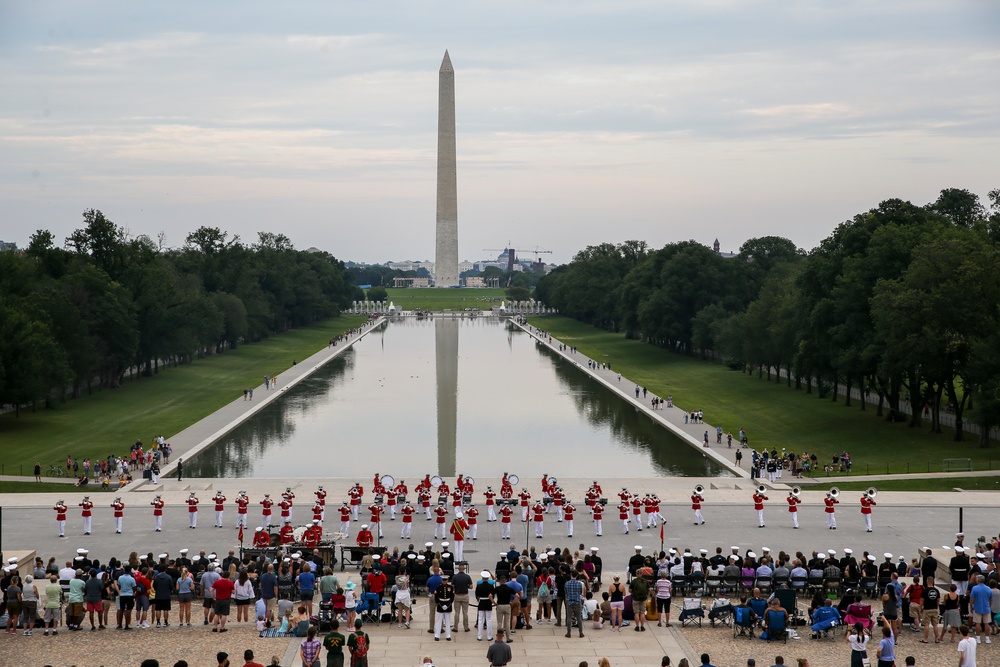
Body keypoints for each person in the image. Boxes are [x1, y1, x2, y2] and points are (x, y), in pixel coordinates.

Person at [434, 573, 454, 641]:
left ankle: (448, 635)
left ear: (447, 580)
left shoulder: (450, 587)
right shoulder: (438, 587)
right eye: (443, 580)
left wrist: (448, 605)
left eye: (445, 580)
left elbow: (452, 597)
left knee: (448, 622)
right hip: (440, 605)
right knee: (439, 621)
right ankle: (437, 635)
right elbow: (436, 597)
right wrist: (441, 605)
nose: (444, 581)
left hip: (448, 605)